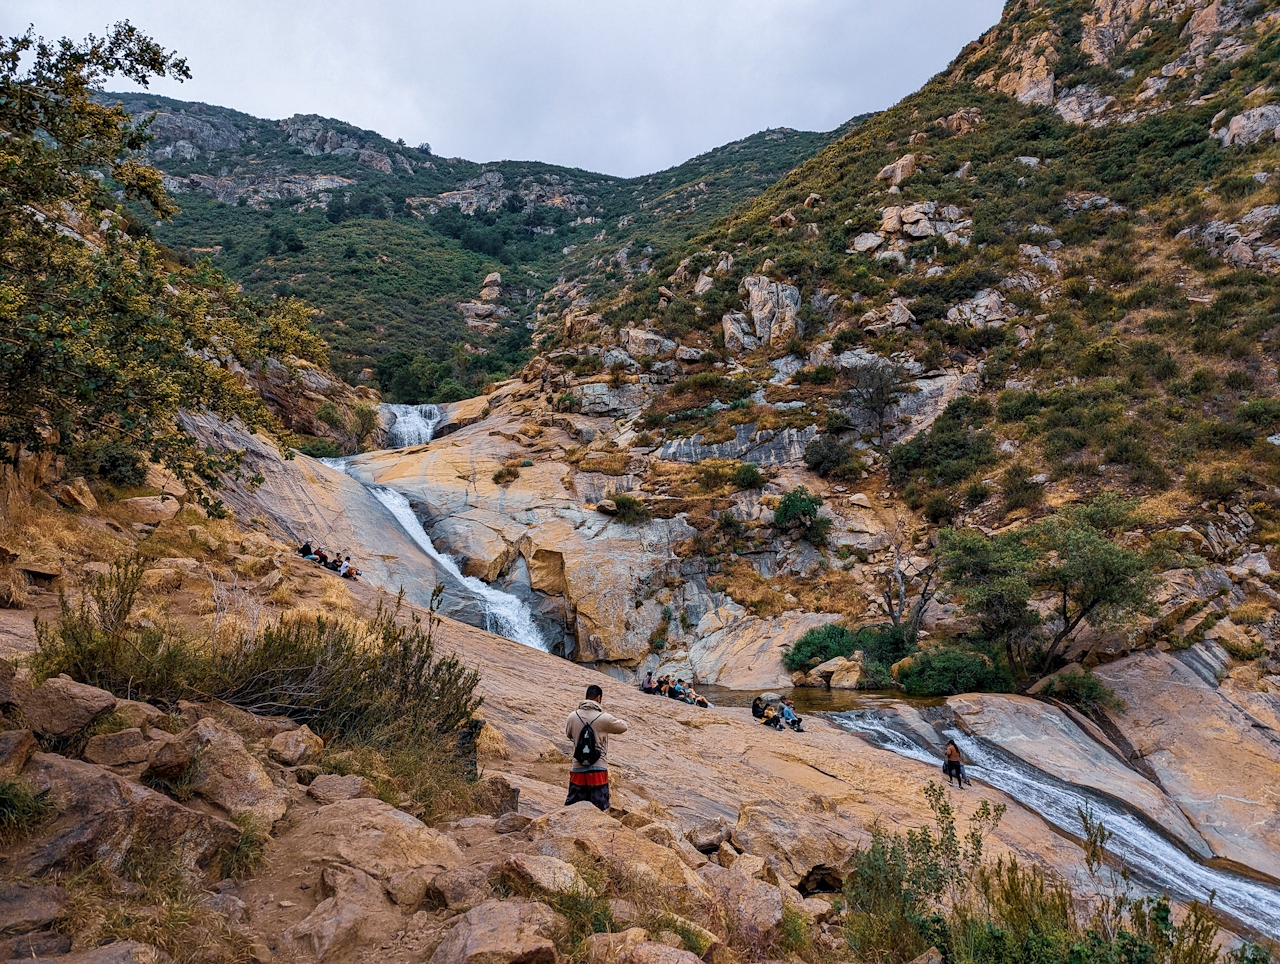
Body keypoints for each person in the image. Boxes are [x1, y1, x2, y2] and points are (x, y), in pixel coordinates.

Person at [564, 683, 629, 811]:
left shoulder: (572, 716)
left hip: (578, 766)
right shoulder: (604, 718)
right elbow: (623, 727)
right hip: (598, 767)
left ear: (586, 697)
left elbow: (569, 734)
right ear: (598, 698)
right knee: (600, 809)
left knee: (573, 808)